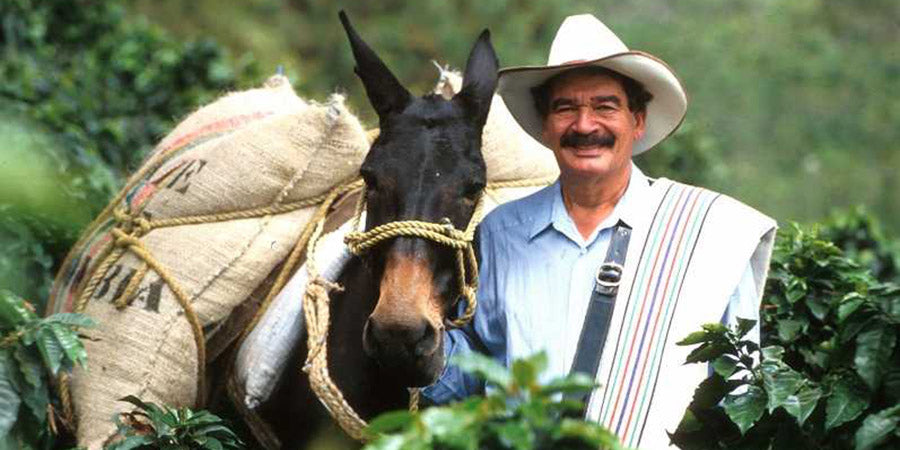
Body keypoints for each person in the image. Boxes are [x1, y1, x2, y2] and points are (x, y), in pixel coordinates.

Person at [422, 13, 777, 448]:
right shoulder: (500, 233)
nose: (585, 124)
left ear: (638, 120)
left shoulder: (712, 234)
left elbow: (740, 396)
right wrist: (417, 346)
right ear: (546, 126)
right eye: (565, 107)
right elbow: (469, 375)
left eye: (605, 106)